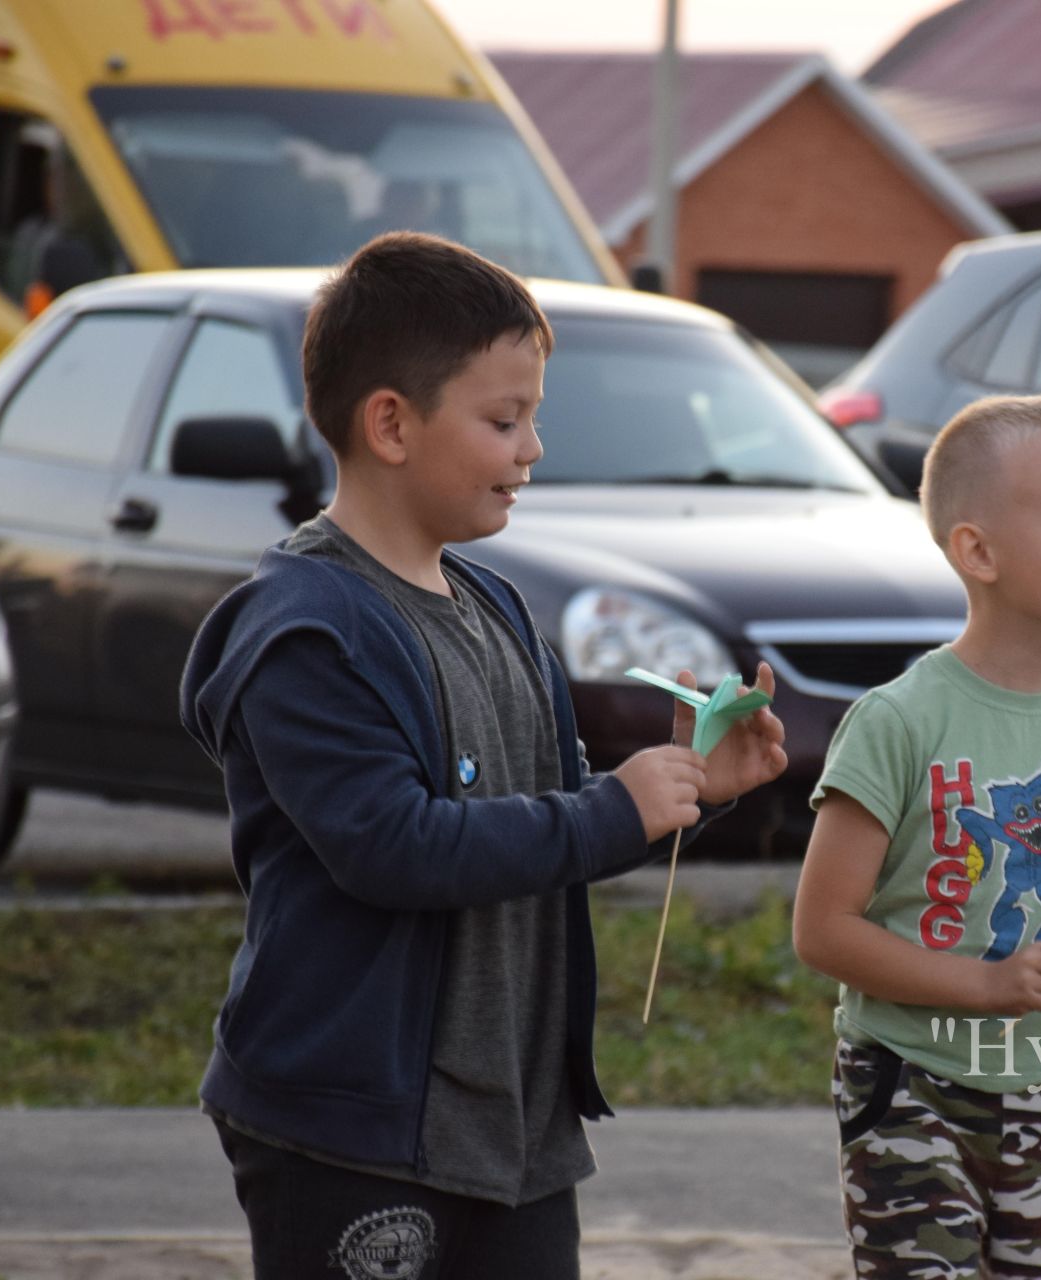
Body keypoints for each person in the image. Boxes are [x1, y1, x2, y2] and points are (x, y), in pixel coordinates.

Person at [179, 231, 786, 1279]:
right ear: (390, 424)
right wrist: (613, 809)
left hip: (515, 1129)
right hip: (353, 1132)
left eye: (533, 418)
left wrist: (685, 792)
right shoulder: (309, 630)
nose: (532, 448)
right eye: (504, 420)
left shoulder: (499, 607)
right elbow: (394, 846)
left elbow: (538, 834)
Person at [791, 393, 1041, 1280]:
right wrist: (982, 983)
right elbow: (823, 931)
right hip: (912, 1085)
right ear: (978, 551)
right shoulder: (896, 722)